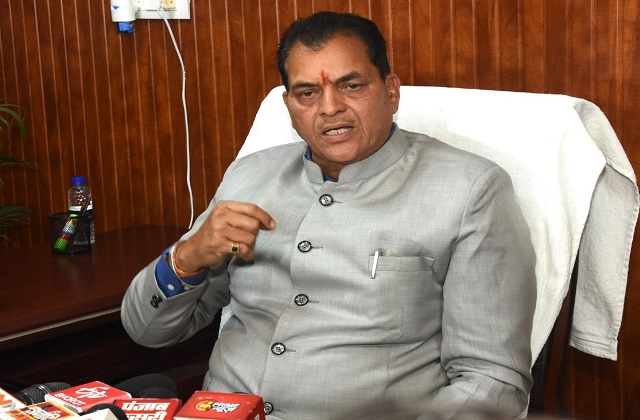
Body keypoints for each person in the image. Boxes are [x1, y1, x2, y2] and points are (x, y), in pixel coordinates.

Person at [121, 11, 536, 419]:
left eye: (351, 85)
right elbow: (147, 331)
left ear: (391, 91)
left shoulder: (469, 191)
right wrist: (187, 258)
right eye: (307, 93)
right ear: (289, 106)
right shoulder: (250, 176)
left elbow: (492, 381)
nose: (330, 107)